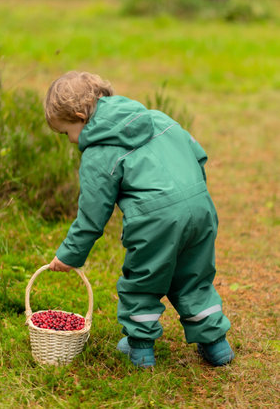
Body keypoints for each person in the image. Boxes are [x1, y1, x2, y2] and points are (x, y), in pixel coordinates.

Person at [45, 71, 234, 368]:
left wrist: (69, 255)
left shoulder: (98, 152)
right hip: (200, 206)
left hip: (155, 220)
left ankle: (141, 348)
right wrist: (192, 199)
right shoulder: (157, 118)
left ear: (81, 116)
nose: (70, 141)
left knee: (143, 282)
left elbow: (91, 216)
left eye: (66, 132)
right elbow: (197, 154)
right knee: (194, 278)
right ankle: (216, 346)